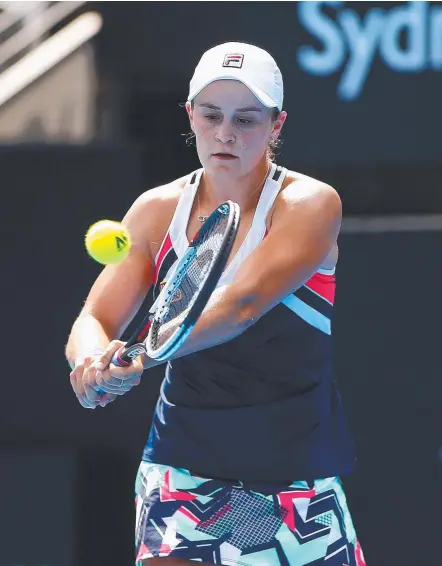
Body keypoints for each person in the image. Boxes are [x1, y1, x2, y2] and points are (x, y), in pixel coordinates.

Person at [66, 42, 366, 566]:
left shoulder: (310, 203)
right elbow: (95, 317)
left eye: (247, 119)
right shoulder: (156, 211)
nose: (226, 133)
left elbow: (241, 304)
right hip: (185, 461)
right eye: (211, 115)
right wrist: (92, 363)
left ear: (277, 125)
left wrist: (144, 355)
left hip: (296, 464)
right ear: (190, 116)